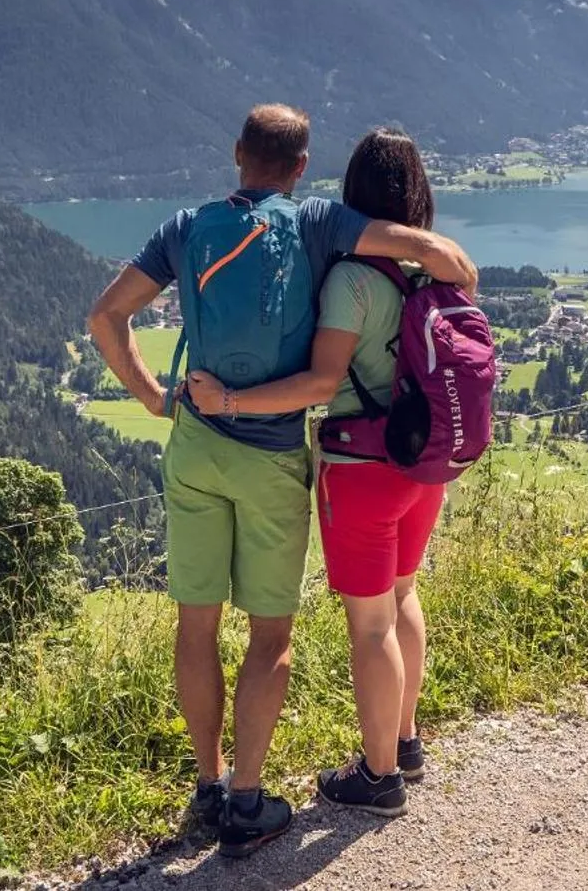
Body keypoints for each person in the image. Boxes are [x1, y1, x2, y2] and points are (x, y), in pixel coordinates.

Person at [86, 106, 476, 859]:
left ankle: (205, 784)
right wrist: (456, 265)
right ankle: (246, 799)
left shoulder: (182, 226)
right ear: (300, 168)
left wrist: (151, 398)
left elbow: (106, 317)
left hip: (195, 446)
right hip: (270, 459)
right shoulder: (318, 223)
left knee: (194, 626)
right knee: (271, 638)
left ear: (237, 155)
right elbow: (426, 247)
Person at [186, 128, 448, 818]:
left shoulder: (351, 279)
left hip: (363, 468)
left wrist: (233, 401)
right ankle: (406, 740)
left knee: (369, 626)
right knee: (402, 597)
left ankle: (379, 776)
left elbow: (321, 380)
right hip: (426, 465)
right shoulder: (433, 269)